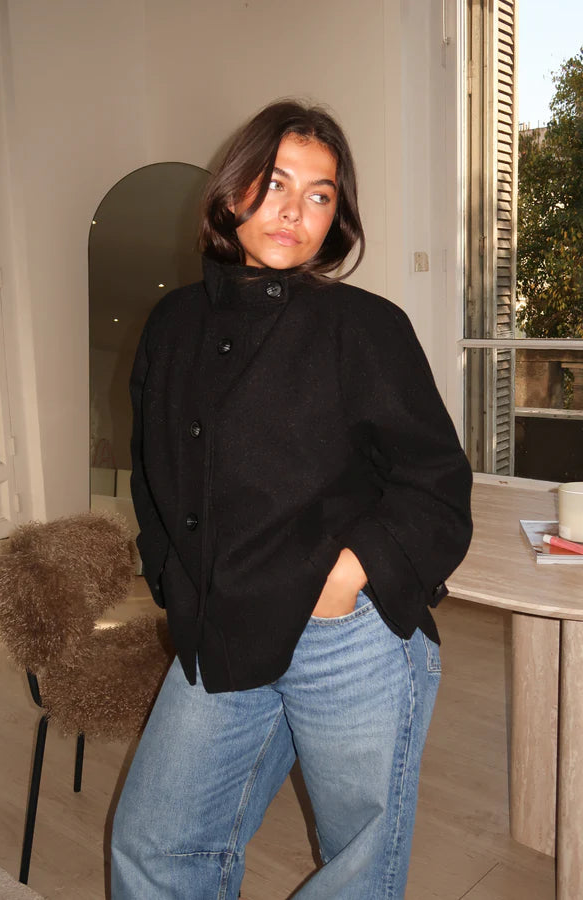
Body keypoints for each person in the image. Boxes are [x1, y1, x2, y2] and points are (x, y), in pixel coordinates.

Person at [111, 99, 472, 899]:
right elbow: (152, 467)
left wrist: (347, 579)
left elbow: (437, 481)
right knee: (155, 845)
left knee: (356, 862)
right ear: (233, 189)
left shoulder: (364, 326)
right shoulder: (172, 323)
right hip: (219, 627)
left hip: (345, 638)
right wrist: (172, 575)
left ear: (336, 218)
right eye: (275, 183)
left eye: (320, 195)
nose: (294, 210)